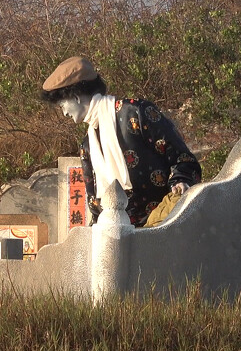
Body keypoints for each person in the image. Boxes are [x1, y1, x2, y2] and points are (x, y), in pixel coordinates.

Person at [41, 56, 202, 227]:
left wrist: (180, 181)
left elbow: (184, 159)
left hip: (161, 228)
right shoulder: (87, 145)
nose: (64, 113)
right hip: (117, 236)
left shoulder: (136, 112)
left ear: (75, 97)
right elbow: (96, 209)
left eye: (62, 106)